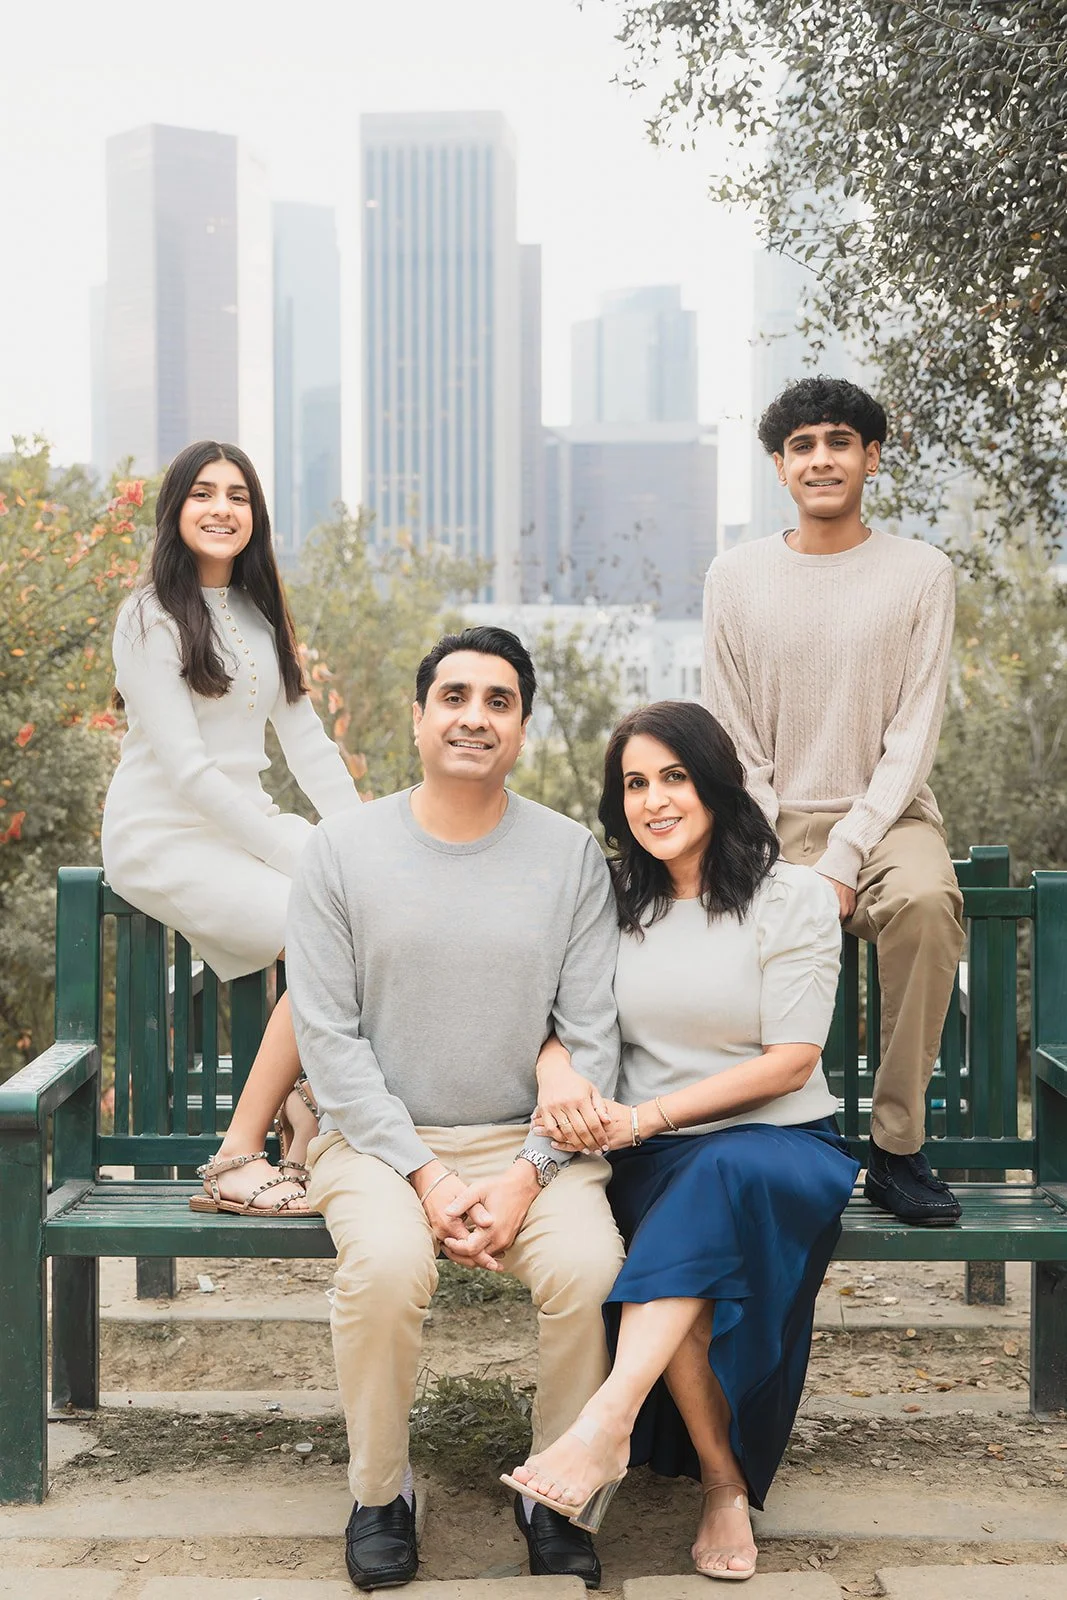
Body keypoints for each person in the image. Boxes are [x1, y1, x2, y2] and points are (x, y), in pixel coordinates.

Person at [284, 626, 625, 1593]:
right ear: (421, 713)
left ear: (520, 725)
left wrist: (526, 1176)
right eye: (456, 697)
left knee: (589, 1268)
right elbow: (329, 1039)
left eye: (499, 701)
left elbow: (589, 1035)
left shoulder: (568, 858)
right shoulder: (340, 852)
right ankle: (380, 1493)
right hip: (377, 1143)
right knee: (387, 1269)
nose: (475, 717)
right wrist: (425, 1173)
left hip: (535, 1144)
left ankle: (555, 1492)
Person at [503, 700, 859, 1583]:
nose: (654, 800)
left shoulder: (793, 899)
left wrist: (645, 1117)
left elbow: (789, 1063)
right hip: (648, 1160)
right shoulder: (613, 898)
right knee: (693, 1255)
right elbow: (555, 1019)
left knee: (723, 1177)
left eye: (673, 777)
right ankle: (720, 1485)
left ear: (714, 783)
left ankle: (607, 1422)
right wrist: (558, 1076)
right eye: (633, 783)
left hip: (777, 1147)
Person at [703, 375, 965, 1226]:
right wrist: (771, 848)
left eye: (839, 442)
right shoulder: (734, 576)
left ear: (871, 457)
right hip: (764, 817)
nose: (822, 459)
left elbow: (914, 730)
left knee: (927, 905)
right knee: (722, 921)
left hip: (888, 817)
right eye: (802, 446)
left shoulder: (920, 572)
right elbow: (729, 727)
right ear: (779, 467)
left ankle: (894, 1149)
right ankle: (766, 1139)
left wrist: (847, 853)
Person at [102, 439, 361, 1216]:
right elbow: (187, 772)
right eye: (204, 494)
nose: (222, 509)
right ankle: (238, 1156)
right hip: (163, 833)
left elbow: (308, 744)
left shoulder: (258, 610)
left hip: (246, 822)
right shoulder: (147, 616)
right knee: (314, 925)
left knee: (369, 907)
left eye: (238, 495)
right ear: (175, 510)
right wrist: (299, 851)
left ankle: (307, 1114)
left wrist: (361, 842)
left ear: (255, 515)